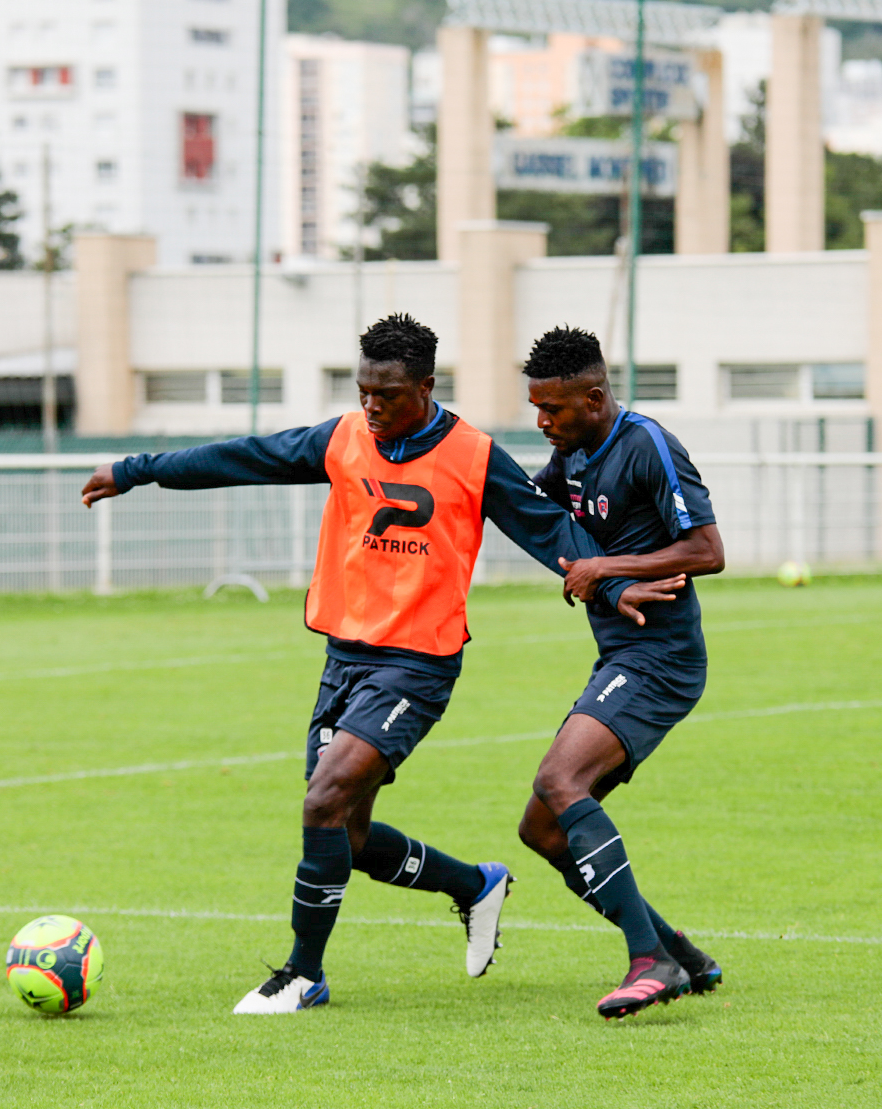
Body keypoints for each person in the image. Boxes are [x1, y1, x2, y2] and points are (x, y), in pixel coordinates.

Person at [80, 313, 683, 1015]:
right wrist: (134, 470)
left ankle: (303, 975)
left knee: (322, 800)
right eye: (364, 390)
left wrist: (613, 579)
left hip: (416, 667)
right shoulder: (343, 438)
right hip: (343, 659)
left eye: (388, 394)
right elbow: (245, 457)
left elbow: (551, 531)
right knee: (346, 833)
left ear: (425, 388)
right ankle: (473, 885)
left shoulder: (473, 456)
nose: (372, 406)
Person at [515, 326, 728, 1019]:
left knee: (559, 781)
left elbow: (707, 549)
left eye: (554, 409)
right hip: (620, 656)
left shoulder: (647, 445)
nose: (542, 422)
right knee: (542, 831)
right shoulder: (569, 455)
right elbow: (537, 514)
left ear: (595, 397)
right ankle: (682, 955)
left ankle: (650, 961)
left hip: (661, 659)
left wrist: (608, 566)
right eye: (536, 408)